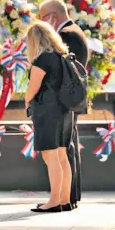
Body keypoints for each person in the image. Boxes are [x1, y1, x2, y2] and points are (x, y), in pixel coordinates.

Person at [38, 0, 89, 209]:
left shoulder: (66, 35)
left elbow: (61, 70)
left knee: (63, 150)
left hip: (62, 100)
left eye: (42, 18)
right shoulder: (76, 31)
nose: (41, 23)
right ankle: (68, 197)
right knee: (67, 148)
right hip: (68, 100)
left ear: (52, 16)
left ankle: (64, 197)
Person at [25, 21, 73, 213]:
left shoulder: (42, 59)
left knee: (50, 156)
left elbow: (33, 87)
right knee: (62, 156)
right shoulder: (61, 56)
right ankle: (64, 199)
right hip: (64, 110)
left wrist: (27, 101)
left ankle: (53, 201)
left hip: (47, 111)